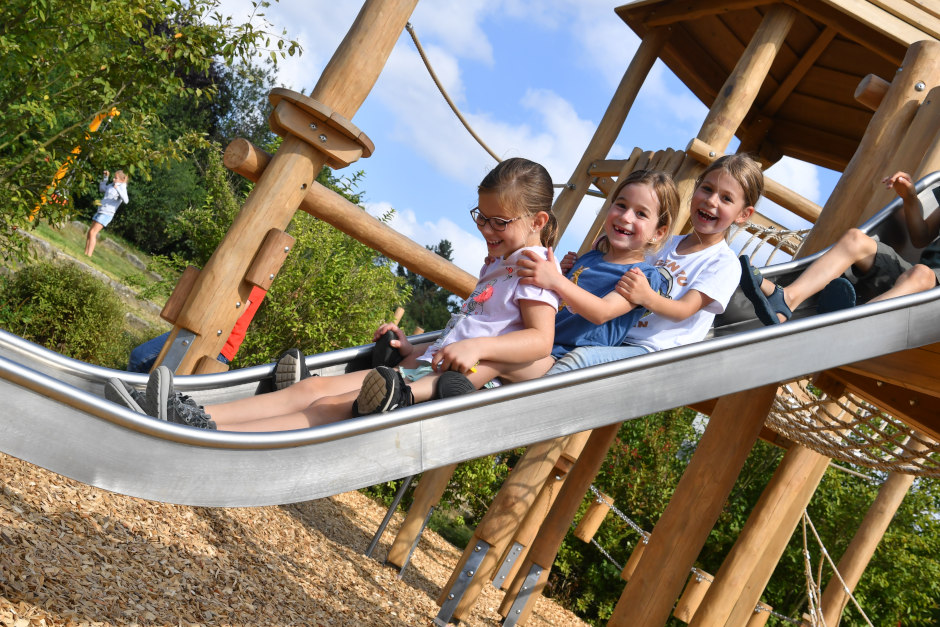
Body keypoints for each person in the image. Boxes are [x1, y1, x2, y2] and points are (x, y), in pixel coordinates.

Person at [105, 157, 562, 429]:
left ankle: (212, 429)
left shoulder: (537, 268)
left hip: (430, 388)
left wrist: (477, 347)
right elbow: (470, 326)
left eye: (498, 222)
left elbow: (540, 341)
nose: (485, 229)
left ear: (538, 221)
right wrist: (415, 344)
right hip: (423, 363)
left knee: (327, 406)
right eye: (480, 218)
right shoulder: (500, 264)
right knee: (316, 386)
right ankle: (198, 414)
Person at [545, 153, 762, 373]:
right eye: (707, 189)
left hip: (656, 352)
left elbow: (684, 309)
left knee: (579, 360)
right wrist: (574, 272)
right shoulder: (662, 244)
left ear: (744, 214)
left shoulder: (723, 262)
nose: (711, 200)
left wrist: (647, 297)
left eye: (726, 198)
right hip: (616, 339)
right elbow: (611, 273)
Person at [739, 171, 939, 324]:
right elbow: (921, 237)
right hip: (914, 280)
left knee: (922, 274)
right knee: (855, 239)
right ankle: (786, 300)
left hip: (931, 293)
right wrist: (909, 197)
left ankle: (850, 325)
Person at [127, 286, 267, 373]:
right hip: (200, 331)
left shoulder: (255, 275)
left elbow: (235, 312)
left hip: (215, 343)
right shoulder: (237, 266)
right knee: (142, 361)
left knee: (141, 359)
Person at [85, 169, 128, 257]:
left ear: (122, 180)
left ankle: (89, 255)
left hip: (107, 213)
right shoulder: (112, 185)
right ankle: (85, 253)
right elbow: (102, 189)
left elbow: (126, 200)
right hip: (100, 210)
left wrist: (118, 188)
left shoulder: (122, 188)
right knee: (90, 232)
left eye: (116, 178)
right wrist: (105, 178)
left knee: (93, 233)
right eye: (113, 177)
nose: (114, 179)